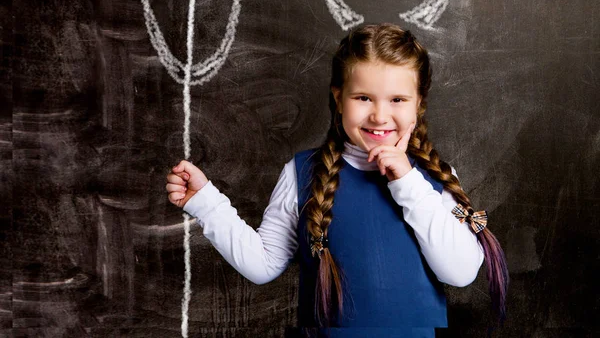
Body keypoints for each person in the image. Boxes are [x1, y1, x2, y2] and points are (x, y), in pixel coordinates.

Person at [166, 23, 508, 337]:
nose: (379, 115)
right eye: (363, 98)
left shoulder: (433, 180)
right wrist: (207, 203)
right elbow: (263, 265)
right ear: (338, 98)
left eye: (398, 100)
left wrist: (407, 181)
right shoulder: (301, 173)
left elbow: (460, 273)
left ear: (418, 105)